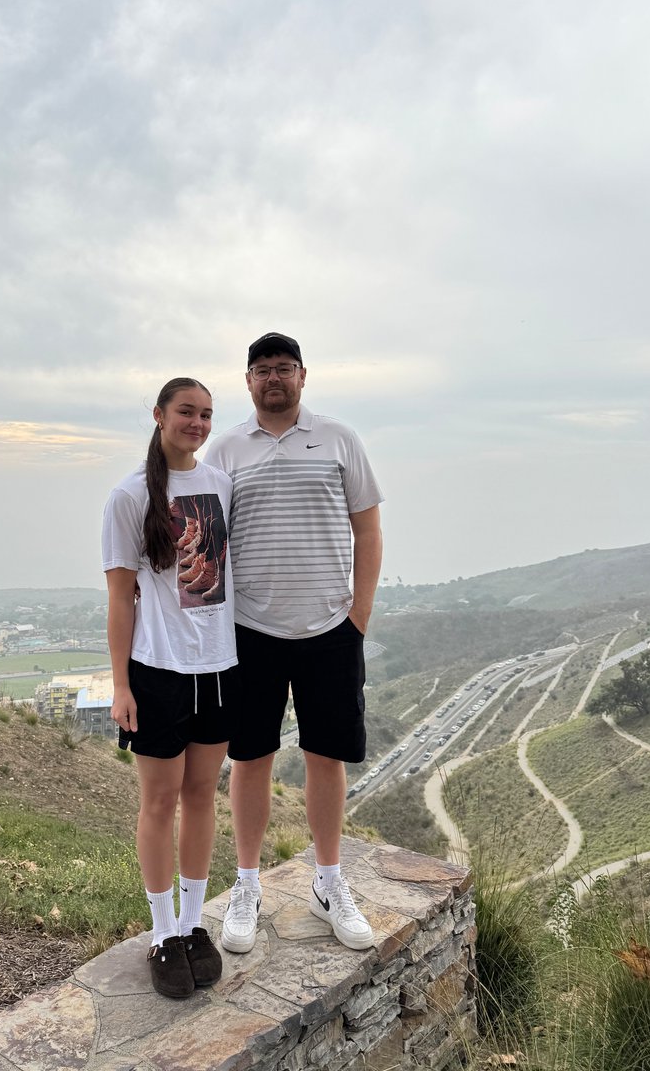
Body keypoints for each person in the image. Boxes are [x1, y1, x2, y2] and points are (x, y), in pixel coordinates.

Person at [205, 333, 383, 952]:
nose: (273, 378)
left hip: (330, 630)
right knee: (249, 757)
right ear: (248, 381)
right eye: (262, 370)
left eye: (283, 368)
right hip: (249, 631)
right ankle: (247, 884)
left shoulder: (338, 439)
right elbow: (207, 541)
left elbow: (368, 529)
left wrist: (359, 616)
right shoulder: (226, 450)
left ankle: (328, 882)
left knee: (325, 756)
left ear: (303, 376)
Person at [102, 378, 237, 998]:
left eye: (207, 414)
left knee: (203, 796)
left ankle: (191, 923)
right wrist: (121, 684)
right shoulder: (130, 496)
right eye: (187, 411)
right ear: (159, 415)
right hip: (158, 672)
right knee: (159, 803)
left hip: (219, 668)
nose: (198, 423)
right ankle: (161, 933)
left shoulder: (220, 485)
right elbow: (120, 599)